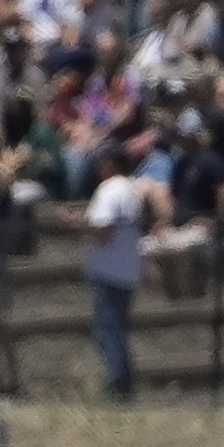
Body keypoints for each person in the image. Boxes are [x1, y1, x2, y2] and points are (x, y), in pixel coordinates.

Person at [79, 136, 153, 400]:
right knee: (116, 330)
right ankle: (123, 382)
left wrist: (76, 225)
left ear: (111, 163)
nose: (98, 166)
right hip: (127, 270)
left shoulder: (110, 189)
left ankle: (118, 386)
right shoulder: (130, 189)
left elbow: (103, 231)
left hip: (110, 272)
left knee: (108, 332)